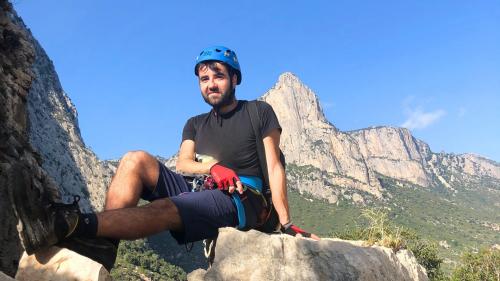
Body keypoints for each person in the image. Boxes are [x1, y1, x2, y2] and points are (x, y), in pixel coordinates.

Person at [10, 46, 319, 269]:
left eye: (219, 76)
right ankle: (104, 247)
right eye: (204, 78)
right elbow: (184, 164)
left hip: (243, 197)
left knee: (168, 206)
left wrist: (287, 222)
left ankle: (66, 224)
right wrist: (214, 166)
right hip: (205, 185)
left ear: (235, 79)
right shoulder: (196, 123)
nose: (211, 83)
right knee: (134, 159)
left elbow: (275, 166)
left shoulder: (259, 112)